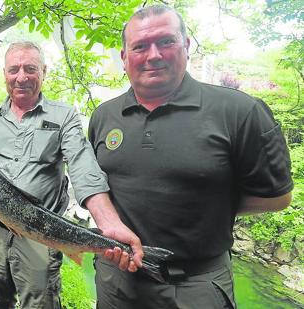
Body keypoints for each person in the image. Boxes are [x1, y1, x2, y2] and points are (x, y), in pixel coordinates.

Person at [87, 5, 293, 308]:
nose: (153, 55)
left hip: (196, 284)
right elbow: (96, 183)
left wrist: (207, 206)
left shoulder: (239, 111)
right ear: (124, 58)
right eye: (140, 46)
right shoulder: (104, 116)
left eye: (166, 41)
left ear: (186, 45)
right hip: (117, 280)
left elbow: (277, 197)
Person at [0, 41, 143, 309]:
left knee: (39, 302)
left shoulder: (63, 116)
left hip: (42, 231)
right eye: (14, 70)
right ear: (5, 75)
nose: (22, 77)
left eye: (30, 69)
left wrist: (108, 220)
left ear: (44, 71)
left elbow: (82, 166)